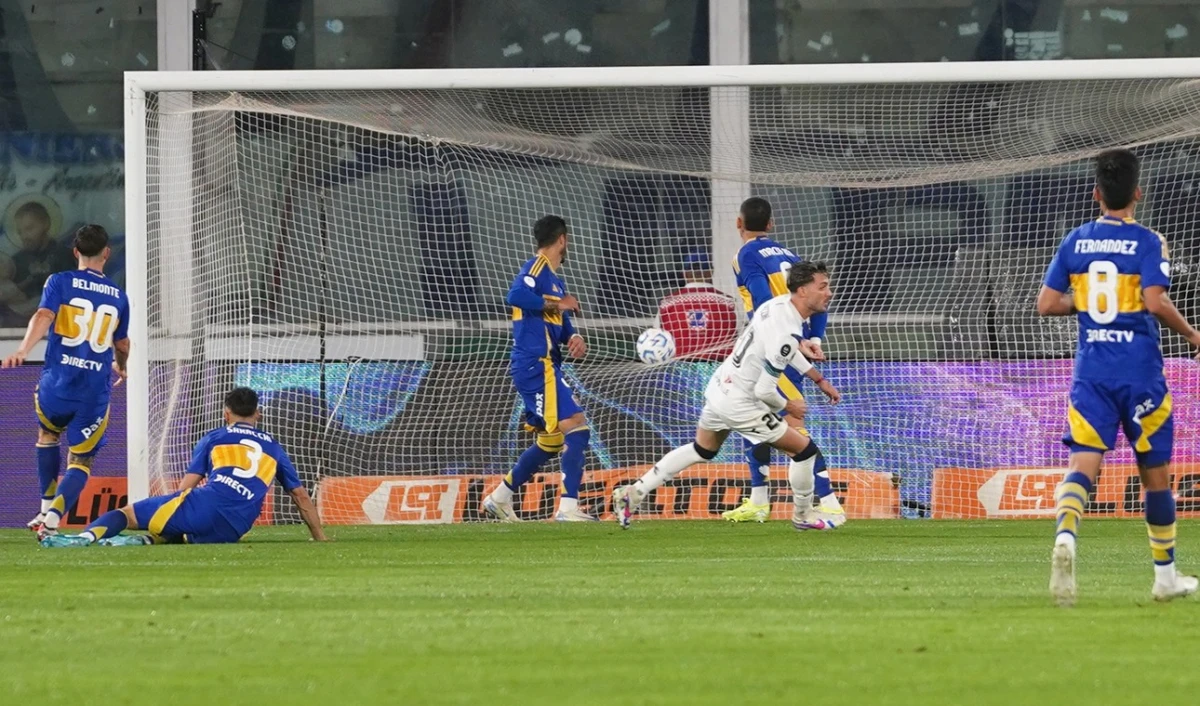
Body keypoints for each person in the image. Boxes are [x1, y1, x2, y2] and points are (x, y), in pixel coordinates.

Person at [1038, 148, 1200, 605]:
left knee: (1083, 465)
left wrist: (1086, 303)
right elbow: (1155, 302)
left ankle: (1066, 535)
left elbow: (1047, 304)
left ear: (1096, 194)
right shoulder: (1149, 241)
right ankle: (1165, 577)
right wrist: (1193, 335)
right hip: (1140, 374)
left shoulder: (1075, 241)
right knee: (1155, 476)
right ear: (1137, 193)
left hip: (1092, 372)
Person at [613, 261, 841, 529]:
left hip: (721, 386)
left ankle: (634, 492)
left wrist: (818, 379)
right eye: (822, 287)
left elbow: (783, 348)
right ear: (803, 291)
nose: (829, 293)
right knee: (804, 451)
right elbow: (765, 390)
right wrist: (789, 405)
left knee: (703, 449)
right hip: (741, 402)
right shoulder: (788, 332)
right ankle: (803, 515)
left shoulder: (775, 306)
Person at [42, 387, 327, 546]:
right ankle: (140, 542)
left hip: (207, 504)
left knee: (126, 514)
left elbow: (185, 488)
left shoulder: (215, 438)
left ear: (226, 413)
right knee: (180, 534)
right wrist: (320, 538)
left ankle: (83, 539)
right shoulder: (274, 448)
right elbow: (300, 496)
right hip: (236, 527)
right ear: (259, 414)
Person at [722, 197, 844, 526]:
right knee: (753, 419)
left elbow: (764, 301)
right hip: (791, 342)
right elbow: (819, 302)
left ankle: (829, 501)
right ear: (771, 224)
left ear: (738, 223)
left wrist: (788, 337)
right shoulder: (791, 256)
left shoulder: (745, 255)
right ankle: (759, 501)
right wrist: (812, 338)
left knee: (792, 426)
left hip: (775, 345)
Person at [2, 225, 129, 538]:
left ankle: (45, 507)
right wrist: (122, 367)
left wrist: (22, 349)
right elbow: (122, 344)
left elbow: (44, 315)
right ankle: (54, 518)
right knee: (81, 459)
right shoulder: (119, 297)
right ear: (107, 253)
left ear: (75, 252)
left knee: (47, 434)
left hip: (57, 384)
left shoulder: (59, 281)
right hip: (93, 391)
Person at [481, 215, 596, 522]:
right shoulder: (536, 268)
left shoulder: (556, 281)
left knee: (552, 441)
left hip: (544, 365)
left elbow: (559, 324)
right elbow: (515, 295)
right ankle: (568, 508)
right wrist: (558, 305)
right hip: (534, 364)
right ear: (563, 240)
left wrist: (573, 336)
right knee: (578, 427)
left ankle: (499, 498)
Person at [656, 249, 738, 361]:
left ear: (685, 273)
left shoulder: (667, 304)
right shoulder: (729, 303)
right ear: (711, 272)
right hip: (718, 370)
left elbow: (656, 340)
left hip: (678, 371)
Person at [2, 200, 75, 314]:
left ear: (46, 224)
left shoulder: (65, 256)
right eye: (20, 232)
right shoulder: (16, 261)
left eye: (29, 228)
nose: (24, 236)